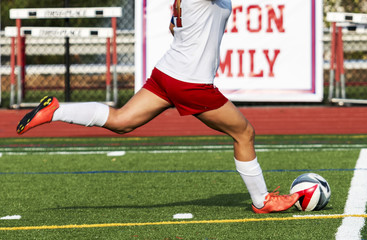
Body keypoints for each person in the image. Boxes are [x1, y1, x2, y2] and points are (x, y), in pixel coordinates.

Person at [16, 0, 300, 214]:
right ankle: (261, 201)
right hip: (191, 81)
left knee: (121, 121)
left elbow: (174, 26)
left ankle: (56, 110)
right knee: (244, 133)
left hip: (167, 73)